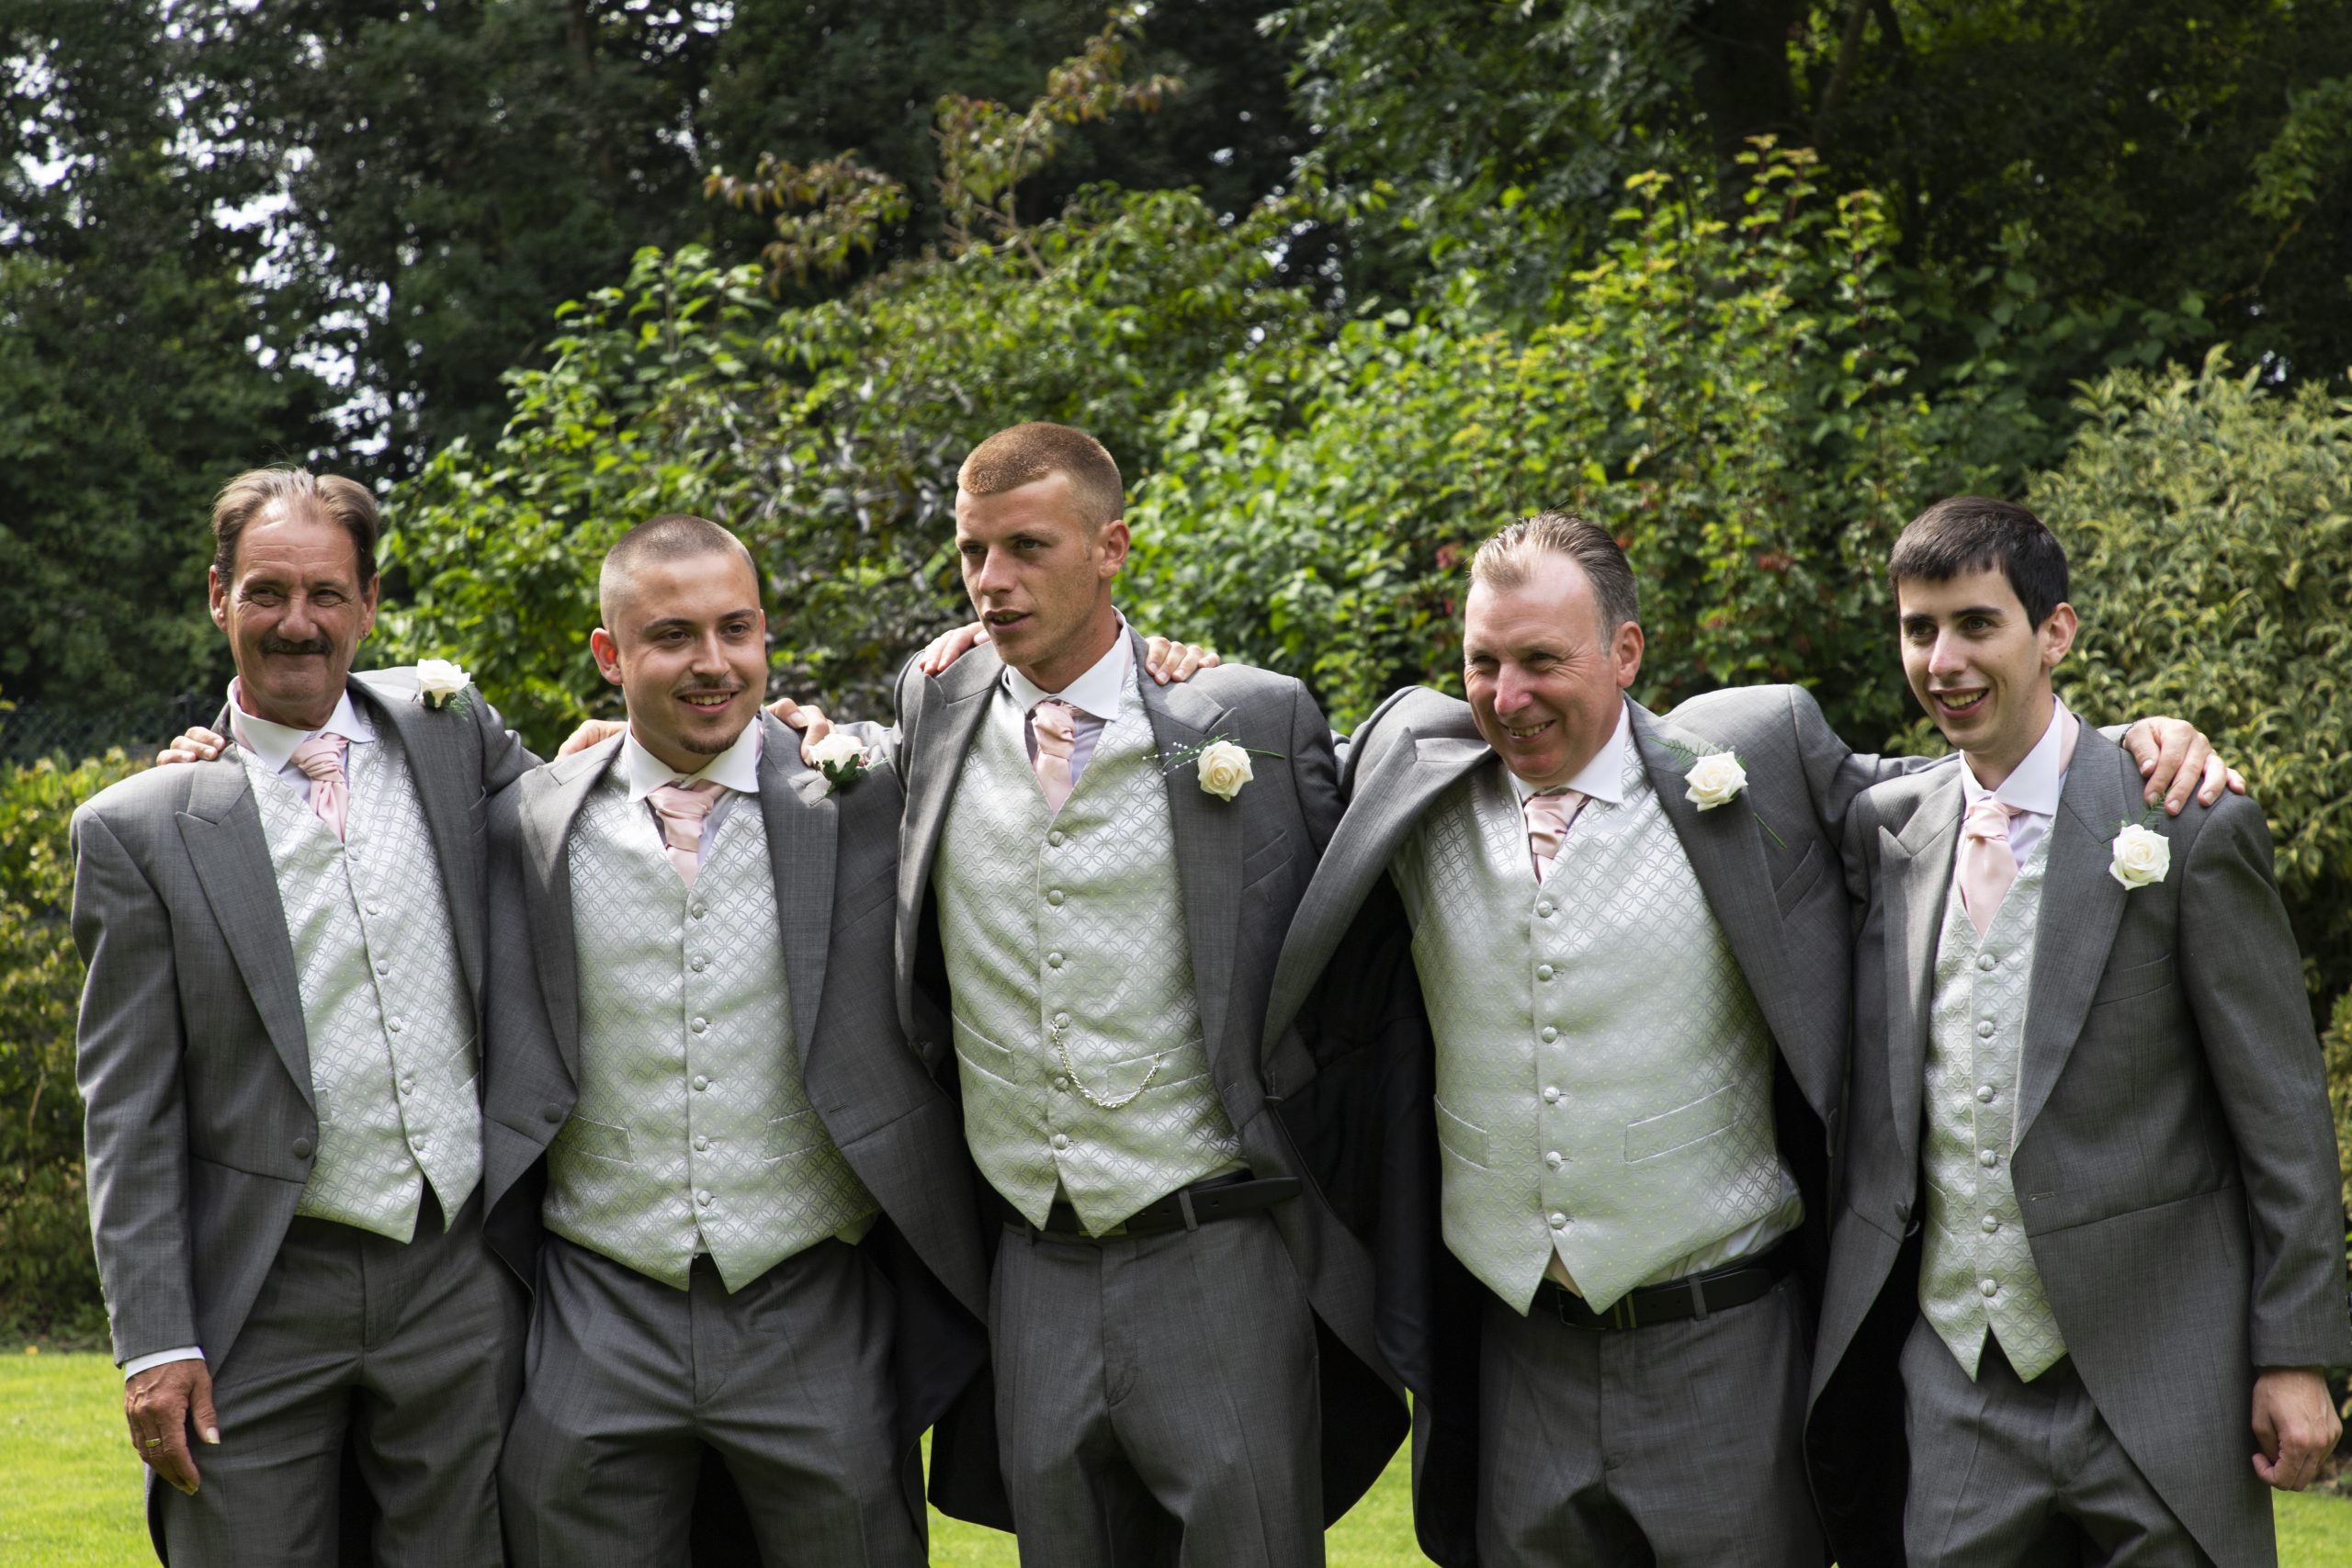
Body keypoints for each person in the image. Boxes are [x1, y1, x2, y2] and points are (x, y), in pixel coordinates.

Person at [1256, 511, 2232, 1567]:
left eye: (1541, 660)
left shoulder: (1753, 755)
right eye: (1482, 662)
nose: (1507, 694)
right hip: (1515, 1361)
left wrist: (2125, 747)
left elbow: (1956, 791)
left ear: (1625, 652)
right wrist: (1168, 670)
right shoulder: (1409, 760)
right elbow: (1252, 780)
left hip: (1723, 1350)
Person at [888, 421, 1406, 1565]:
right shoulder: (935, 700)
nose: (990, 581)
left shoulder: (1241, 722)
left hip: (1218, 1248)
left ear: (1110, 547)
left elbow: (1351, 958)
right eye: (972, 551)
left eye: (1027, 547)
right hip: (1029, 1257)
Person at [1808, 496, 2349, 1567]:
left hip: (2160, 1381)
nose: (1943, 661)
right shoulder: (1887, 831)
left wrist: (2294, 1353)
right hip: (1958, 1386)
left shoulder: (2186, 825)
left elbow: (2281, 1114)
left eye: (1976, 624)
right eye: (1918, 629)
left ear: (2053, 631)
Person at [480, 514, 991, 1567]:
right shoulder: (526, 820)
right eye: (672, 636)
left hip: (814, 1297)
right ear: (609, 654)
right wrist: (215, 741)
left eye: (736, 629)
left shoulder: (867, 794)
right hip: (595, 1299)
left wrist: (1161, 664)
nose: (712, 663)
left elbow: (1031, 726)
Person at [72, 467, 529, 1563]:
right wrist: (154, 1342)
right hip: (257, 1288)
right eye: (266, 592)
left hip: (456, 1274)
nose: (297, 622)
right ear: (217, 598)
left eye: (326, 594)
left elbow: (592, 813)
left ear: (368, 604)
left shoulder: (451, 730)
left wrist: (787, 735)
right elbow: (128, 1109)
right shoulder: (142, 828)